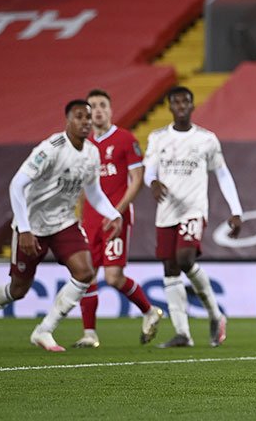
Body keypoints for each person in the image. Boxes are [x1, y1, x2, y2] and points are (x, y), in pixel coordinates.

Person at [0, 99, 123, 351]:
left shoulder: (91, 152)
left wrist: (114, 214)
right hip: (31, 225)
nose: (85, 122)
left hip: (64, 223)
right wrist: (24, 228)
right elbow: (17, 185)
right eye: (79, 117)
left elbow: (94, 191)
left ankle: (44, 330)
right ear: (67, 121)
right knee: (19, 288)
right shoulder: (50, 148)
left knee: (85, 272)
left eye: (88, 117)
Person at [143, 85, 243, 348]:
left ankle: (215, 315)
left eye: (185, 102)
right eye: (176, 102)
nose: (181, 107)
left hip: (193, 209)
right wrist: (152, 182)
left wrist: (236, 210)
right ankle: (182, 333)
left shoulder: (206, 139)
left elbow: (222, 173)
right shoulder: (157, 138)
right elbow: (148, 171)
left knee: (185, 258)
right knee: (170, 268)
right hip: (166, 211)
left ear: (192, 105)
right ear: (169, 106)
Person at [74, 88, 163, 348]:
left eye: (102, 105)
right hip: (90, 219)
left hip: (117, 218)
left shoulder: (125, 139)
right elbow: (82, 185)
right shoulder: (84, 145)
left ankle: (149, 311)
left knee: (113, 277)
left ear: (111, 110)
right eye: (93, 107)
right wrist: (79, 216)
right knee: (85, 275)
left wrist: (118, 211)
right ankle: (89, 334)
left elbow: (136, 180)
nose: (98, 110)